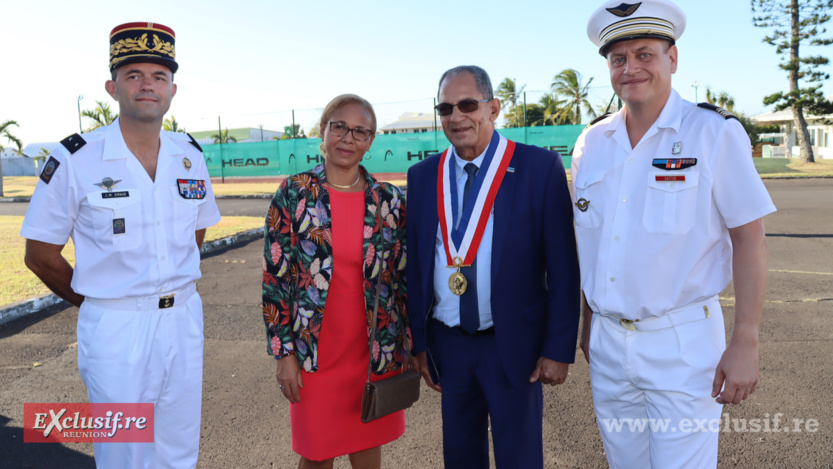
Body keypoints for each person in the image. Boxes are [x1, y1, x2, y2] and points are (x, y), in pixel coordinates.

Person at [575, 1, 777, 467]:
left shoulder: (712, 132)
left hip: (682, 344)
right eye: (618, 59)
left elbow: (751, 239)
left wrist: (745, 341)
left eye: (644, 54)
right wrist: (588, 327)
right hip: (608, 344)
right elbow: (592, 244)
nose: (631, 68)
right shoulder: (592, 143)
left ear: (673, 58)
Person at [21, 22, 221, 468]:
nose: (148, 85)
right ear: (113, 88)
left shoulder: (189, 155)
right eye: (134, 75)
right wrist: (98, 300)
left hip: (183, 319)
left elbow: (195, 232)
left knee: (179, 450)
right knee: (124, 454)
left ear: (172, 90)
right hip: (117, 328)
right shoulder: (76, 158)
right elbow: (40, 256)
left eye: (159, 76)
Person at [407, 65, 580, 468]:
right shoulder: (423, 176)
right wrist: (419, 343)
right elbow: (415, 266)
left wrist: (559, 349)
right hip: (449, 343)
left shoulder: (539, 168)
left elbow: (563, 267)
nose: (456, 117)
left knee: (520, 457)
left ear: (494, 108)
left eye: (468, 105)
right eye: (445, 108)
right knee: (460, 457)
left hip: (514, 343)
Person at [262, 94, 410, 469]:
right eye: (339, 126)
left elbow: (402, 278)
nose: (348, 138)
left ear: (371, 141)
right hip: (313, 353)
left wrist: (412, 346)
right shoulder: (295, 193)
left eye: (361, 131)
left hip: (374, 349)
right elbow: (275, 280)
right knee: (316, 453)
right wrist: (284, 354)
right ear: (323, 131)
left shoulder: (389, 201)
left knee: (367, 445)